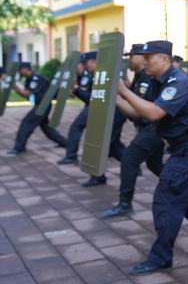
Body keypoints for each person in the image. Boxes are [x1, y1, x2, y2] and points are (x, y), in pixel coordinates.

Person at [117, 40, 188, 276]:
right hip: (183, 149)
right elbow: (139, 113)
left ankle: (160, 257)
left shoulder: (176, 82)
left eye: (149, 57)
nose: (144, 61)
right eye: (143, 57)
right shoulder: (158, 82)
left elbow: (154, 113)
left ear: (165, 59)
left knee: (166, 199)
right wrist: (116, 97)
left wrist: (125, 91)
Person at [102, 44, 165, 219]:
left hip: (153, 129)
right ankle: (181, 186)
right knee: (155, 164)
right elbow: (133, 108)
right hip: (149, 128)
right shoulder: (139, 76)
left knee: (129, 159)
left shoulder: (146, 77)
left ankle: (125, 204)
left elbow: (138, 109)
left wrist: (118, 95)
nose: (129, 60)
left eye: (132, 56)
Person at [56, 52, 127, 187]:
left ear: (94, 62)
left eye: (86, 63)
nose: (84, 66)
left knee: (102, 142)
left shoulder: (104, 75)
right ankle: (130, 165)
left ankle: (99, 175)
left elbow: (93, 98)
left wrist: (77, 89)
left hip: (115, 112)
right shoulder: (96, 75)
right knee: (111, 143)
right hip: (106, 111)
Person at [7, 62, 67, 154]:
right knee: (46, 127)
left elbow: (26, 93)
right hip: (42, 105)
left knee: (26, 123)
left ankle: (19, 147)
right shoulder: (30, 79)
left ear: (26, 69)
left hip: (42, 106)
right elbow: (26, 95)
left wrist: (15, 85)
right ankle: (64, 142)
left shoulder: (35, 79)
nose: (19, 72)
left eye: (20, 70)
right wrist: (15, 87)